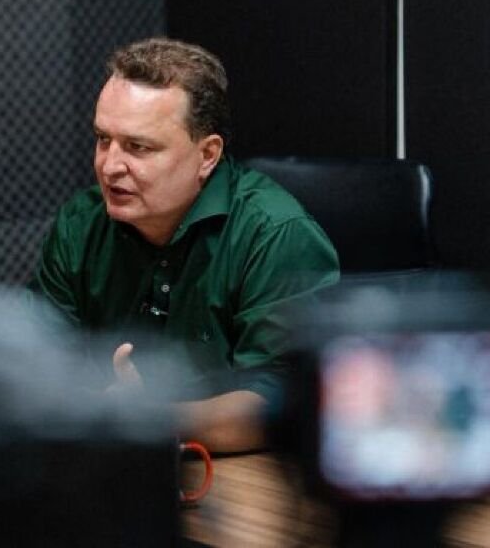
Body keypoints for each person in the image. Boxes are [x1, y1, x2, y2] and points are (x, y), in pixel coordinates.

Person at [31, 37, 338, 453]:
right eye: (103, 139)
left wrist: (148, 418)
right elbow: (34, 365)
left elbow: (285, 405)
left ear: (207, 155)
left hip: (242, 474)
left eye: (138, 147)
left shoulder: (275, 233)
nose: (110, 165)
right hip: (106, 465)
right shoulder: (80, 223)